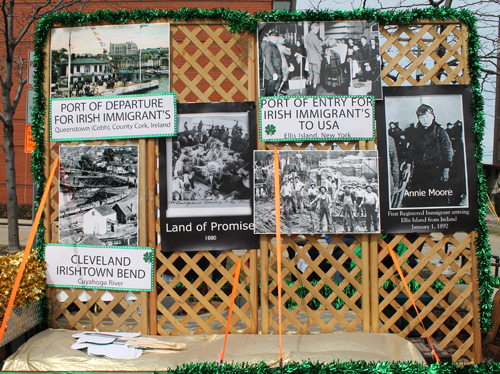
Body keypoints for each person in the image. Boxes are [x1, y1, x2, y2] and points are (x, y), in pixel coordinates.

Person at [407, 103, 453, 206]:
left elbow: (447, 151)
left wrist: (446, 169)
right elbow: (411, 149)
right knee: (419, 198)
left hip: (436, 171)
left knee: (436, 198)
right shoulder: (415, 133)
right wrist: (408, 164)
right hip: (419, 171)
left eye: (427, 116)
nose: (425, 120)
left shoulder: (440, 132)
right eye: (421, 117)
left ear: (432, 116)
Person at [263, 30, 282, 96]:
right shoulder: (269, 47)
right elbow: (268, 61)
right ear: (270, 37)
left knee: (273, 91)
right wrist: (273, 73)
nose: (275, 38)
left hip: (276, 71)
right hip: (271, 73)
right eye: (274, 37)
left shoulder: (274, 46)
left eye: (276, 37)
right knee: (269, 93)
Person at [304, 22, 323, 94]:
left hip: (310, 58)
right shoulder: (314, 36)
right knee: (316, 73)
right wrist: (321, 46)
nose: (317, 30)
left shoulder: (307, 36)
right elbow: (319, 49)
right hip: (316, 59)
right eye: (317, 29)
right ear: (314, 28)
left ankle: (309, 87)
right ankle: (314, 89)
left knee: (310, 73)